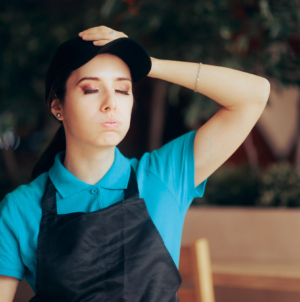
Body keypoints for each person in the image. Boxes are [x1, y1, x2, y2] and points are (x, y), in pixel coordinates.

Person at [0, 25, 270, 302]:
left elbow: (255, 94)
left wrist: (149, 63)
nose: (110, 103)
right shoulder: (21, 208)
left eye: (122, 89)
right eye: (91, 89)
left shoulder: (164, 175)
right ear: (58, 106)